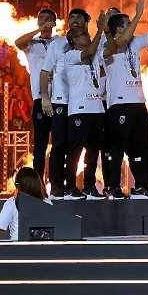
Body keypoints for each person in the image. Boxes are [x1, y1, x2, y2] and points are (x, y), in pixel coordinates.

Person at [102, 0, 148, 198]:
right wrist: (139, 14)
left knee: (140, 148)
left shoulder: (135, 42)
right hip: (119, 105)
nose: (131, 27)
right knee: (116, 150)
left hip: (139, 105)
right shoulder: (106, 46)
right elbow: (120, 42)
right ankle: (113, 186)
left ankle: (140, 185)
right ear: (116, 29)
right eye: (126, 24)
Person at [39, 8, 90, 198]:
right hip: (60, 101)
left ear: (86, 22)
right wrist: (45, 97)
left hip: (81, 103)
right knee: (59, 144)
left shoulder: (89, 44)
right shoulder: (57, 43)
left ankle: (72, 186)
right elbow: (45, 72)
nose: (74, 20)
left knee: (76, 146)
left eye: (79, 17)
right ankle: (56, 186)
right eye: (71, 18)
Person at [63, 12, 107, 200]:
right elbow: (88, 52)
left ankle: (89, 186)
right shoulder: (71, 55)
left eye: (86, 34)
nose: (87, 37)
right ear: (73, 40)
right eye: (82, 35)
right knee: (75, 151)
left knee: (93, 151)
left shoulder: (95, 55)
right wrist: (99, 30)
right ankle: (70, 187)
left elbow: (102, 72)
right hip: (79, 110)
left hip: (97, 109)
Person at [15, 8, 64, 180]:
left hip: (61, 98)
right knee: (40, 145)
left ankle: (58, 183)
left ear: (54, 22)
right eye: (41, 19)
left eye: (48, 19)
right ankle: (38, 183)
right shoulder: (32, 44)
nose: (44, 21)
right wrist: (39, 29)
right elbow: (17, 42)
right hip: (40, 99)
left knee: (60, 144)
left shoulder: (61, 42)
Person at [0, 167, 49, 241]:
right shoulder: (48, 202)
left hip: (18, 249)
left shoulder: (11, 203)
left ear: (18, 185)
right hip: (44, 248)